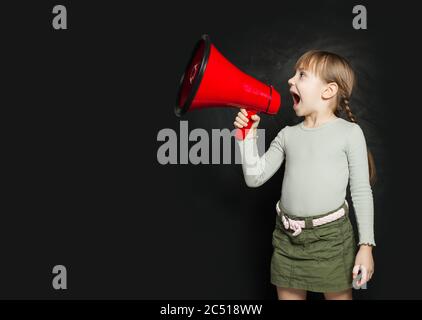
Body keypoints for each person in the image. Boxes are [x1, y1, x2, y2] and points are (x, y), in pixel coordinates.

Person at [234, 50, 376, 300]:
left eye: (301, 75)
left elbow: (361, 191)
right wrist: (247, 136)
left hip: (331, 240)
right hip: (287, 240)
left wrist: (366, 246)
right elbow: (254, 178)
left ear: (328, 91)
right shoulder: (287, 135)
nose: (290, 80)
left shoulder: (350, 133)